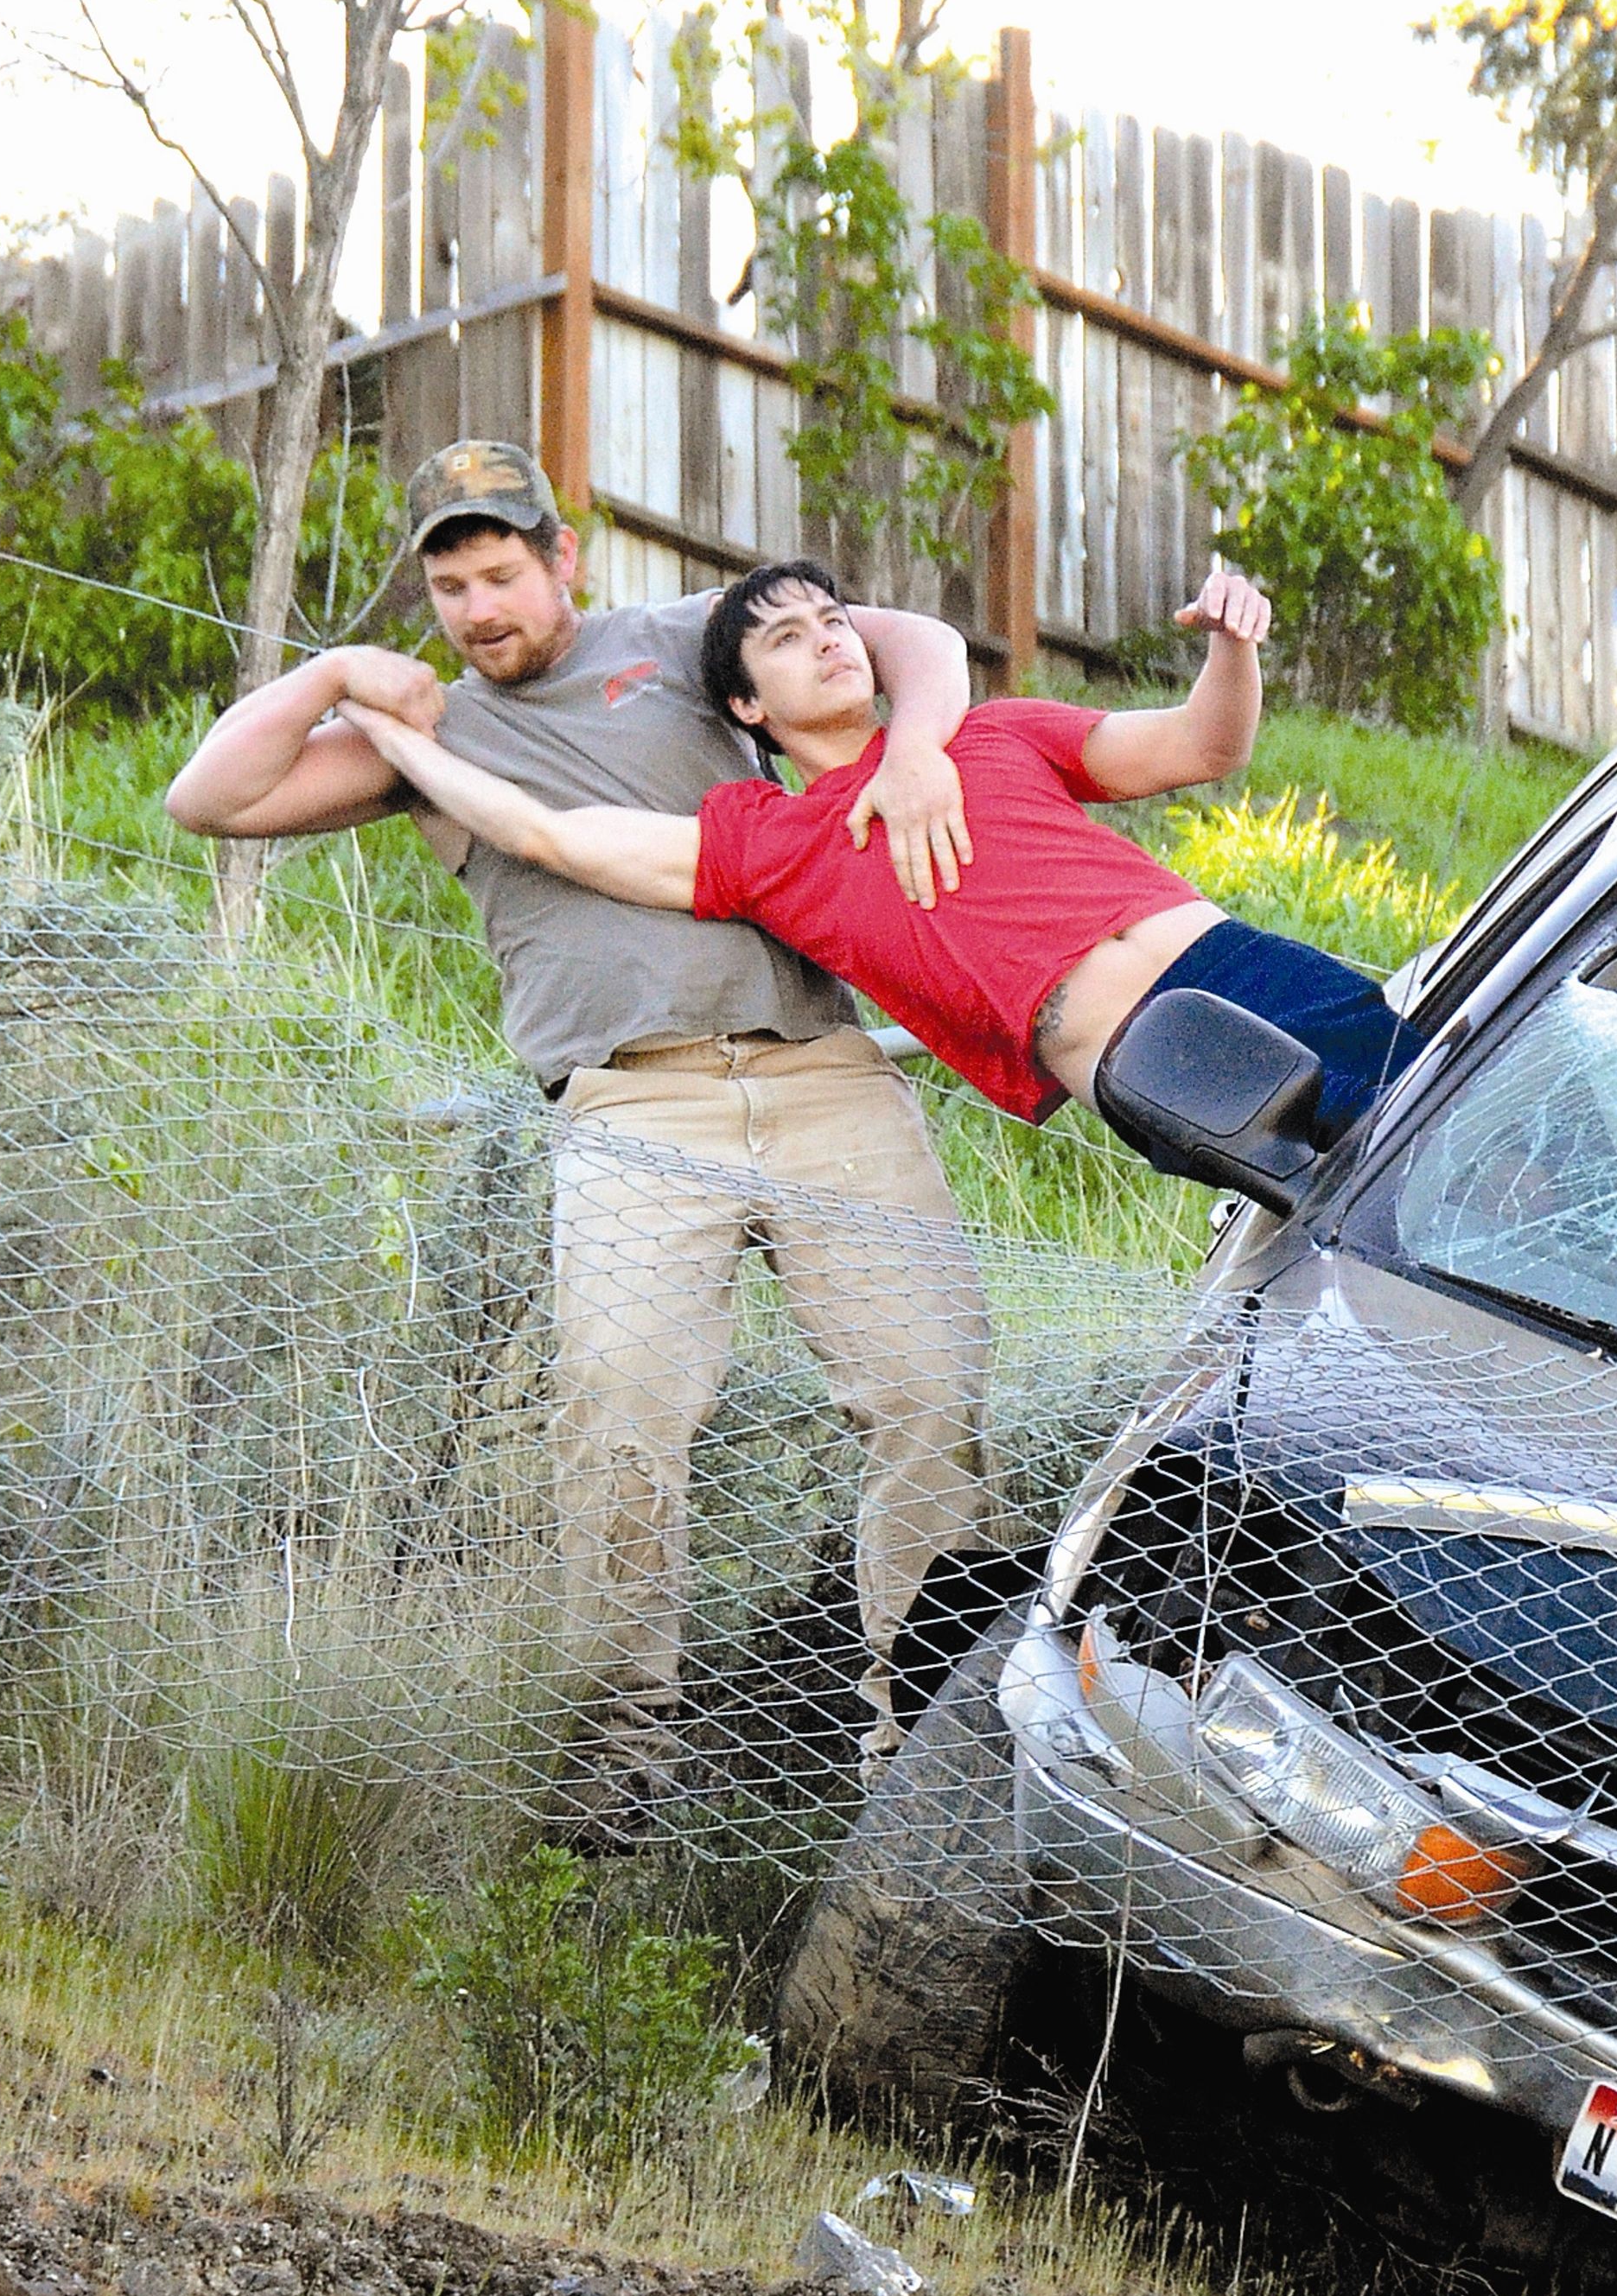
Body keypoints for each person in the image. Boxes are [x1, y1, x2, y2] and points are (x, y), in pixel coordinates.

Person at [166, 444, 1002, 1816]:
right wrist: (329, 679)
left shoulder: (673, 638)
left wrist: (916, 754)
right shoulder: (425, 733)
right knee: (619, 1410)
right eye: (451, 584)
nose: (481, 606)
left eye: (503, 571)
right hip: (627, 1105)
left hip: (822, 1072)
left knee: (931, 1391)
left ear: (567, 556)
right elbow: (209, 801)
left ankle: (922, 1759)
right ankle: (620, 1764)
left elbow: (913, 638)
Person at [335, 550, 1421, 1143]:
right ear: (745, 706)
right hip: (1145, 1057)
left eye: (834, 620)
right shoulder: (773, 844)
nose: (828, 641)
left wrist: (1234, 645)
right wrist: (387, 731)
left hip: (1237, 966)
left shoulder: (986, 731)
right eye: (787, 637)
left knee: (1476, 1125)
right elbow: (546, 833)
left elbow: (1203, 744)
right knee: (1374, 1216)